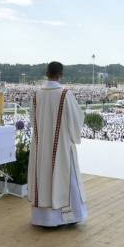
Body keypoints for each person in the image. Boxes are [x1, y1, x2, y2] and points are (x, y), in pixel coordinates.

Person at [27, 61, 88, 227]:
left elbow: (33, 120)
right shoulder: (64, 94)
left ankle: (42, 219)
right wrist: (72, 136)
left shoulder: (37, 94)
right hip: (60, 145)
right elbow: (77, 118)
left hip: (41, 146)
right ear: (61, 74)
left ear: (46, 73)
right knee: (65, 177)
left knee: (43, 177)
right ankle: (68, 217)